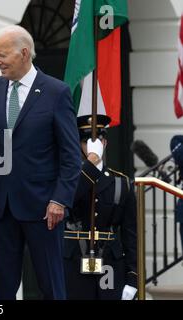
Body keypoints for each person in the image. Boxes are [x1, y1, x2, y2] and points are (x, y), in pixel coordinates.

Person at [0, 25, 81, 300]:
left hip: (44, 208)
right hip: (3, 205)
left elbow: (71, 155)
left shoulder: (56, 92)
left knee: (51, 285)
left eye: (1, 55)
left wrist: (60, 199)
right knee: (2, 288)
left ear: (24, 53)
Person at [63, 114, 137, 300]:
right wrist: (91, 164)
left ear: (105, 143)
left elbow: (131, 235)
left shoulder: (121, 183)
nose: (91, 146)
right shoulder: (67, 180)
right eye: (86, 141)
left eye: (97, 140)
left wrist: (133, 277)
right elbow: (66, 200)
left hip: (110, 264)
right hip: (72, 263)